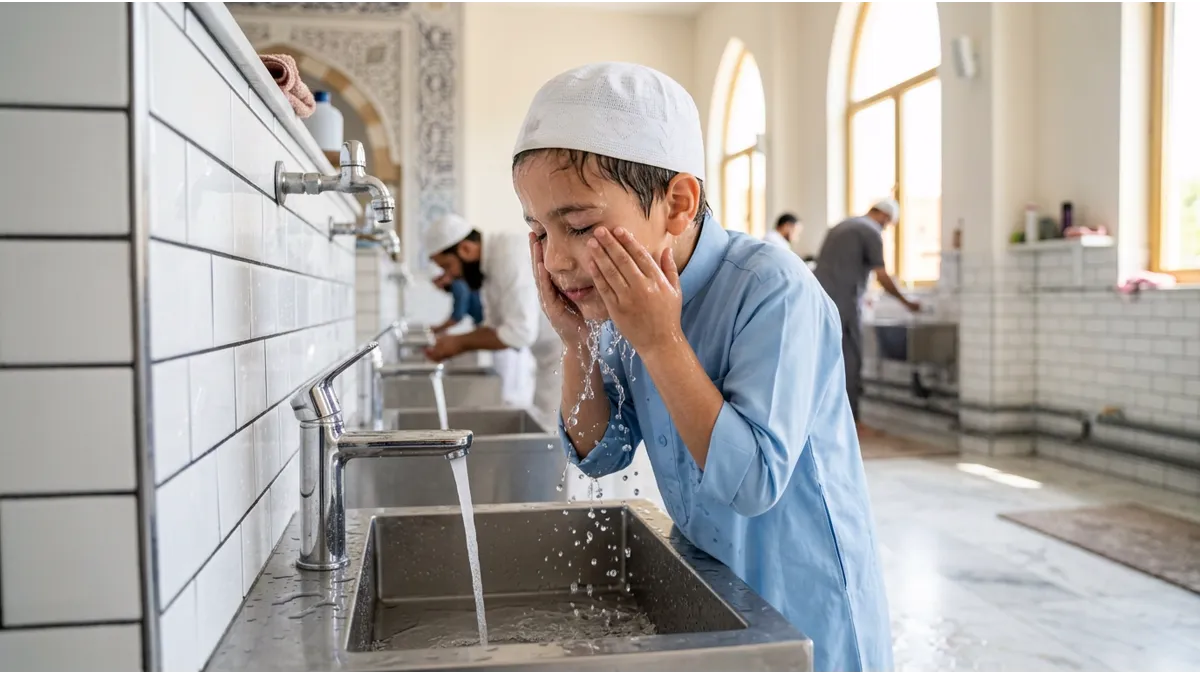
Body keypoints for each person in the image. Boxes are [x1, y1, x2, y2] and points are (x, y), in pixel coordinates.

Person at [511, 61, 892, 672]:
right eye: (537, 232)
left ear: (679, 204)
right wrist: (576, 341)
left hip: (802, 610)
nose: (556, 259)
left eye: (579, 226)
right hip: (712, 592)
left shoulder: (773, 290)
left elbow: (752, 484)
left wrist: (661, 341)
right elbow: (601, 450)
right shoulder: (623, 301)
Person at [421, 213, 562, 426]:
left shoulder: (507, 254)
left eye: (448, 266)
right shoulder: (488, 268)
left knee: (557, 438)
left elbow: (520, 332)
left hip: (565, 358)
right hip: (548, 360)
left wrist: (458, 343)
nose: (451, 276)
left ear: (466, 249)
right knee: (549, 432)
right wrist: (455, 344)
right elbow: (493, 327)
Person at [813, 201, 921, 436]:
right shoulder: (870, 231)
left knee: (824, 361)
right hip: (845, 306)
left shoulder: (841, 226)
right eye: (889, 223)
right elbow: (881, 275)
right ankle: (852, 422)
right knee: (850, 360)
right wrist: (906, 302)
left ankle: (824, 421)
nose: (886, 228)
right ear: (884, 215)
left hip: (819, 304)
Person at [431, 271, 484, 336]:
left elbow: (457, 316)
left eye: (440, 280)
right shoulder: (460, 284)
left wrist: (437, 329)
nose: (440, 286)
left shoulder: (458, 285)